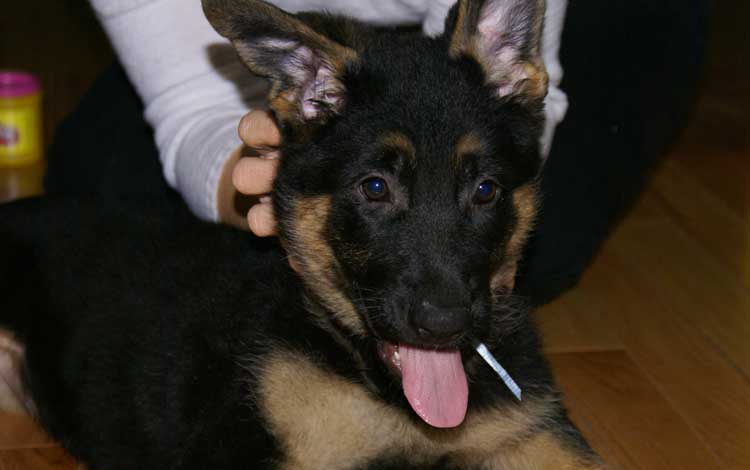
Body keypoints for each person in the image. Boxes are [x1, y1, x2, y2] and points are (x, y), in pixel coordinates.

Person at [45, 0, 706, 305]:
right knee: (93, 176)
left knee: (535, 246)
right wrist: (261, 186)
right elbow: (192, 102)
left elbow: (505, 100)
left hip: (588, 14)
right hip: (308, 30)